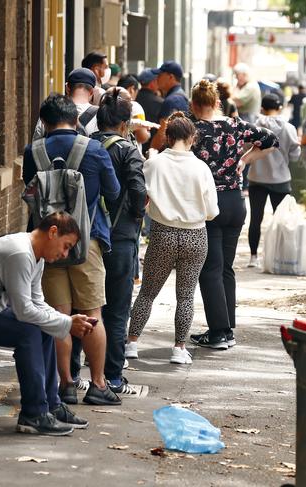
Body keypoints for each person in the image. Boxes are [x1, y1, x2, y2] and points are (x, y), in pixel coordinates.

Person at [22, 94, 122, 407]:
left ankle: (65, 384)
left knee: (58, 316)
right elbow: (114, 191)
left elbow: (30, 189)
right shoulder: (92, 149)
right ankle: (98, 384)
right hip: (86, 241)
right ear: (75, 120)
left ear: (44, 122)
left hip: (47, 244)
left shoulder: (33, 151)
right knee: (92, 313)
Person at [0, 212, 94, 434]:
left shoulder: (35, 255)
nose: (65, 254)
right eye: (65, 246)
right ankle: (34, 414)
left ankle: (51, 406)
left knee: (44, 327)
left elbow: (37, 303)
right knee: (28, 331)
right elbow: (24, 311)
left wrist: (63, 321)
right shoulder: (20, 252)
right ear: (53, 232)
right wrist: (67, 323)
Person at [187, 80, 278, 349]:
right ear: (216, 102)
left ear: (193, 104)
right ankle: (227, 330)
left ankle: (217, 331)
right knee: (225, 268)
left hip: (209, 204)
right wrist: (244, 160)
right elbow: (271, 142)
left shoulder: (193, 130)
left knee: (209, 269)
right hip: (235, 201)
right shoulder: (235, 124)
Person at [126, 112, 219, 364]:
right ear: (192, 138)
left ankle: (131, 343)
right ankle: (179, 348)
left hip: (163, 232)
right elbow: (212, 212)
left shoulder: (154, 164)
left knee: (147, 293)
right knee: (186, 295)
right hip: (195, 235)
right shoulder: (201, 168)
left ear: (167, 137)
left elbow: (141, 198)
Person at [89, 90, 147, 392]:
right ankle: (111, 375)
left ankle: (71, 378)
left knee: (83, 307)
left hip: (84, 238)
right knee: (116, 309)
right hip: (120, 237)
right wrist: (138, 214)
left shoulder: (84, 146)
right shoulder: (128, 151)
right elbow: (138, 189)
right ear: (125, 124)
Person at [246, 93, 300, 268]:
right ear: (280, 108)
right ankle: (282, 255)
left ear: (262, 108)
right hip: (281, 179)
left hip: (257, 177)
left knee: (255, 219)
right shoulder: (289, 128)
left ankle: (253, 257)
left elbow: (247, 148)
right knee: (284, 219)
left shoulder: (254, 126)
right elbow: (294, 155)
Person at [33, 68, 98, 140]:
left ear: (67, 88)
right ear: (92, 92)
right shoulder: (99, 116)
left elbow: (36, 144)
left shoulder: (50, 110)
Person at [149, 61, 190, 152]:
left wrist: (152, 151)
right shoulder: (180, 96)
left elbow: (162, 132)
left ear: (170, 77)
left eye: (160, 75)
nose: (157, 78)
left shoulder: (172, 100)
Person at [117, 74, 151, 151]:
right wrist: (148, 134)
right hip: (130, 152)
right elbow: (141, 137)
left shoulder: (110, 103)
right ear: (132, 89)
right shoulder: (134, 106)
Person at [136, 68, 164, 159]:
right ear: (152, 83)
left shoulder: (134, 99)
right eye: (157, 81)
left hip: (136, 149)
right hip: (154, 151)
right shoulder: (160, 103)